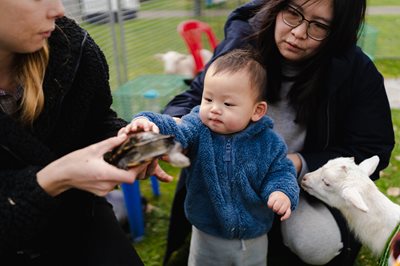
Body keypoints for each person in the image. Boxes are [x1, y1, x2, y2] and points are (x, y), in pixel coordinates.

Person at [160, 0, 395, 265]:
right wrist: (171, 127)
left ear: (338, 32)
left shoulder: (356, 72)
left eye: (319, 26)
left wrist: (298, 164)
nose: (298, 32)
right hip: (227, 172)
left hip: (298, 179)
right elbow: (195, 95)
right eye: (293, 13)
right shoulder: (241, 43)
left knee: (317, 244)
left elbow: (372, 147)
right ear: (277, 6)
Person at [0, 1, 172, 265]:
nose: (58, 10)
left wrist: (124, 141)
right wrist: (53, 178)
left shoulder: (72, 49)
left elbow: (95, 120)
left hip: (78, 215)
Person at [123, 49, 300, 265]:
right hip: (207, 232)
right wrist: (150, 122)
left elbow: (281, 171)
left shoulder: (269, 143)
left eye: (228, 104)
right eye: (208, 99)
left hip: (254, 234)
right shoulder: (198, 127)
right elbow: (177, 130)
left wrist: (282, 191)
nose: (214, 109)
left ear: (257, 111)